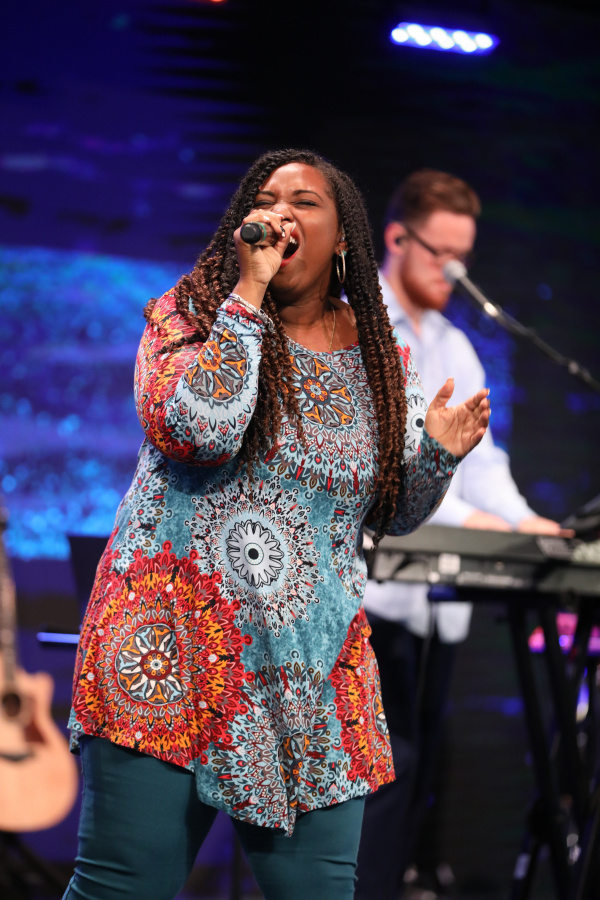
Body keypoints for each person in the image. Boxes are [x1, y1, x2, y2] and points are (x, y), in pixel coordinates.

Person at [63, 150, 490, 900]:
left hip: (311, 671)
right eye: (266, 199)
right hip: (169, 651)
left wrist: (436, 458)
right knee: (124, 889)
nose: (280, 212)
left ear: (343, 237)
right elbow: (198, 430)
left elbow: (389, 512)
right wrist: (248, 296)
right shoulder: (192, 315)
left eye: (304, 201)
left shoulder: (379, 357)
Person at [355, 169, 563, 900]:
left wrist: (523, 522)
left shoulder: (456, 346)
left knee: (413, 778)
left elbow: (485, 464)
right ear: (397, 239)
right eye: (441, 254)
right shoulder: (359, 330)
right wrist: (472, 520)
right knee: (375, 780)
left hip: (433, 610)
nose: (454, 273)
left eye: (462, 258)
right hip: (368, 602)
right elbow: (377, 469)